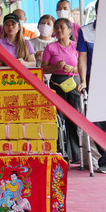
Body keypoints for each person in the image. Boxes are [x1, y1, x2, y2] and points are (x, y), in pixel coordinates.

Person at [42, 17, 82, 164]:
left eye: (62, 28)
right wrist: (55, 68)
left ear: (69, 31)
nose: (58, 30)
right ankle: (62, 151)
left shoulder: (76, 47)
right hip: (56, 83)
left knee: (74, 118)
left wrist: (72, 69)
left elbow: (83, 68)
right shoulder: (50, 48)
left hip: (74, 83)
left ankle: (76, 153)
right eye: (56, 27)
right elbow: (43, 68)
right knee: (59, 119)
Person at [76, 0, 106, 173]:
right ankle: (104, 158)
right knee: (97, 121)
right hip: (94, 79)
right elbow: (82, 58)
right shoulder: (86, 31)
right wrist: (83, 81)